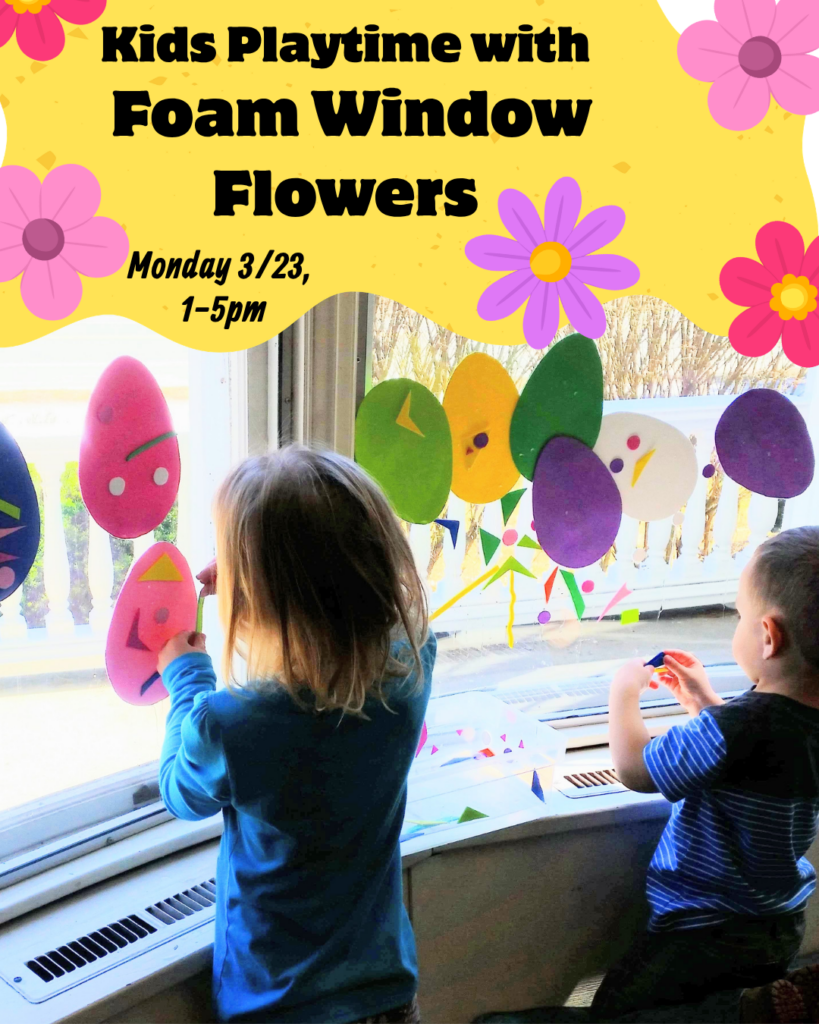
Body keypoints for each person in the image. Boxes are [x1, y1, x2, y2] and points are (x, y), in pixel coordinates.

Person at [155, 446, 434, 1024]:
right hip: (384, 991)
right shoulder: (414, 667)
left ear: (257, 597)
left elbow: (181, 794)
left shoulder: (229, 726)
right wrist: (253, 584)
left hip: (278, 1005)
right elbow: (333, 619)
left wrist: (186, 678)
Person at [592, 526, 819, 1019]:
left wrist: (623, 691)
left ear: (768, 636)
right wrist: (703, 701)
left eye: (739, 616)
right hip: (778, 923)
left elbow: (636, 768)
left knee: (617, 1009)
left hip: (701, 931)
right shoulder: (786, 724)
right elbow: (763, 756)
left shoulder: (736, 727)